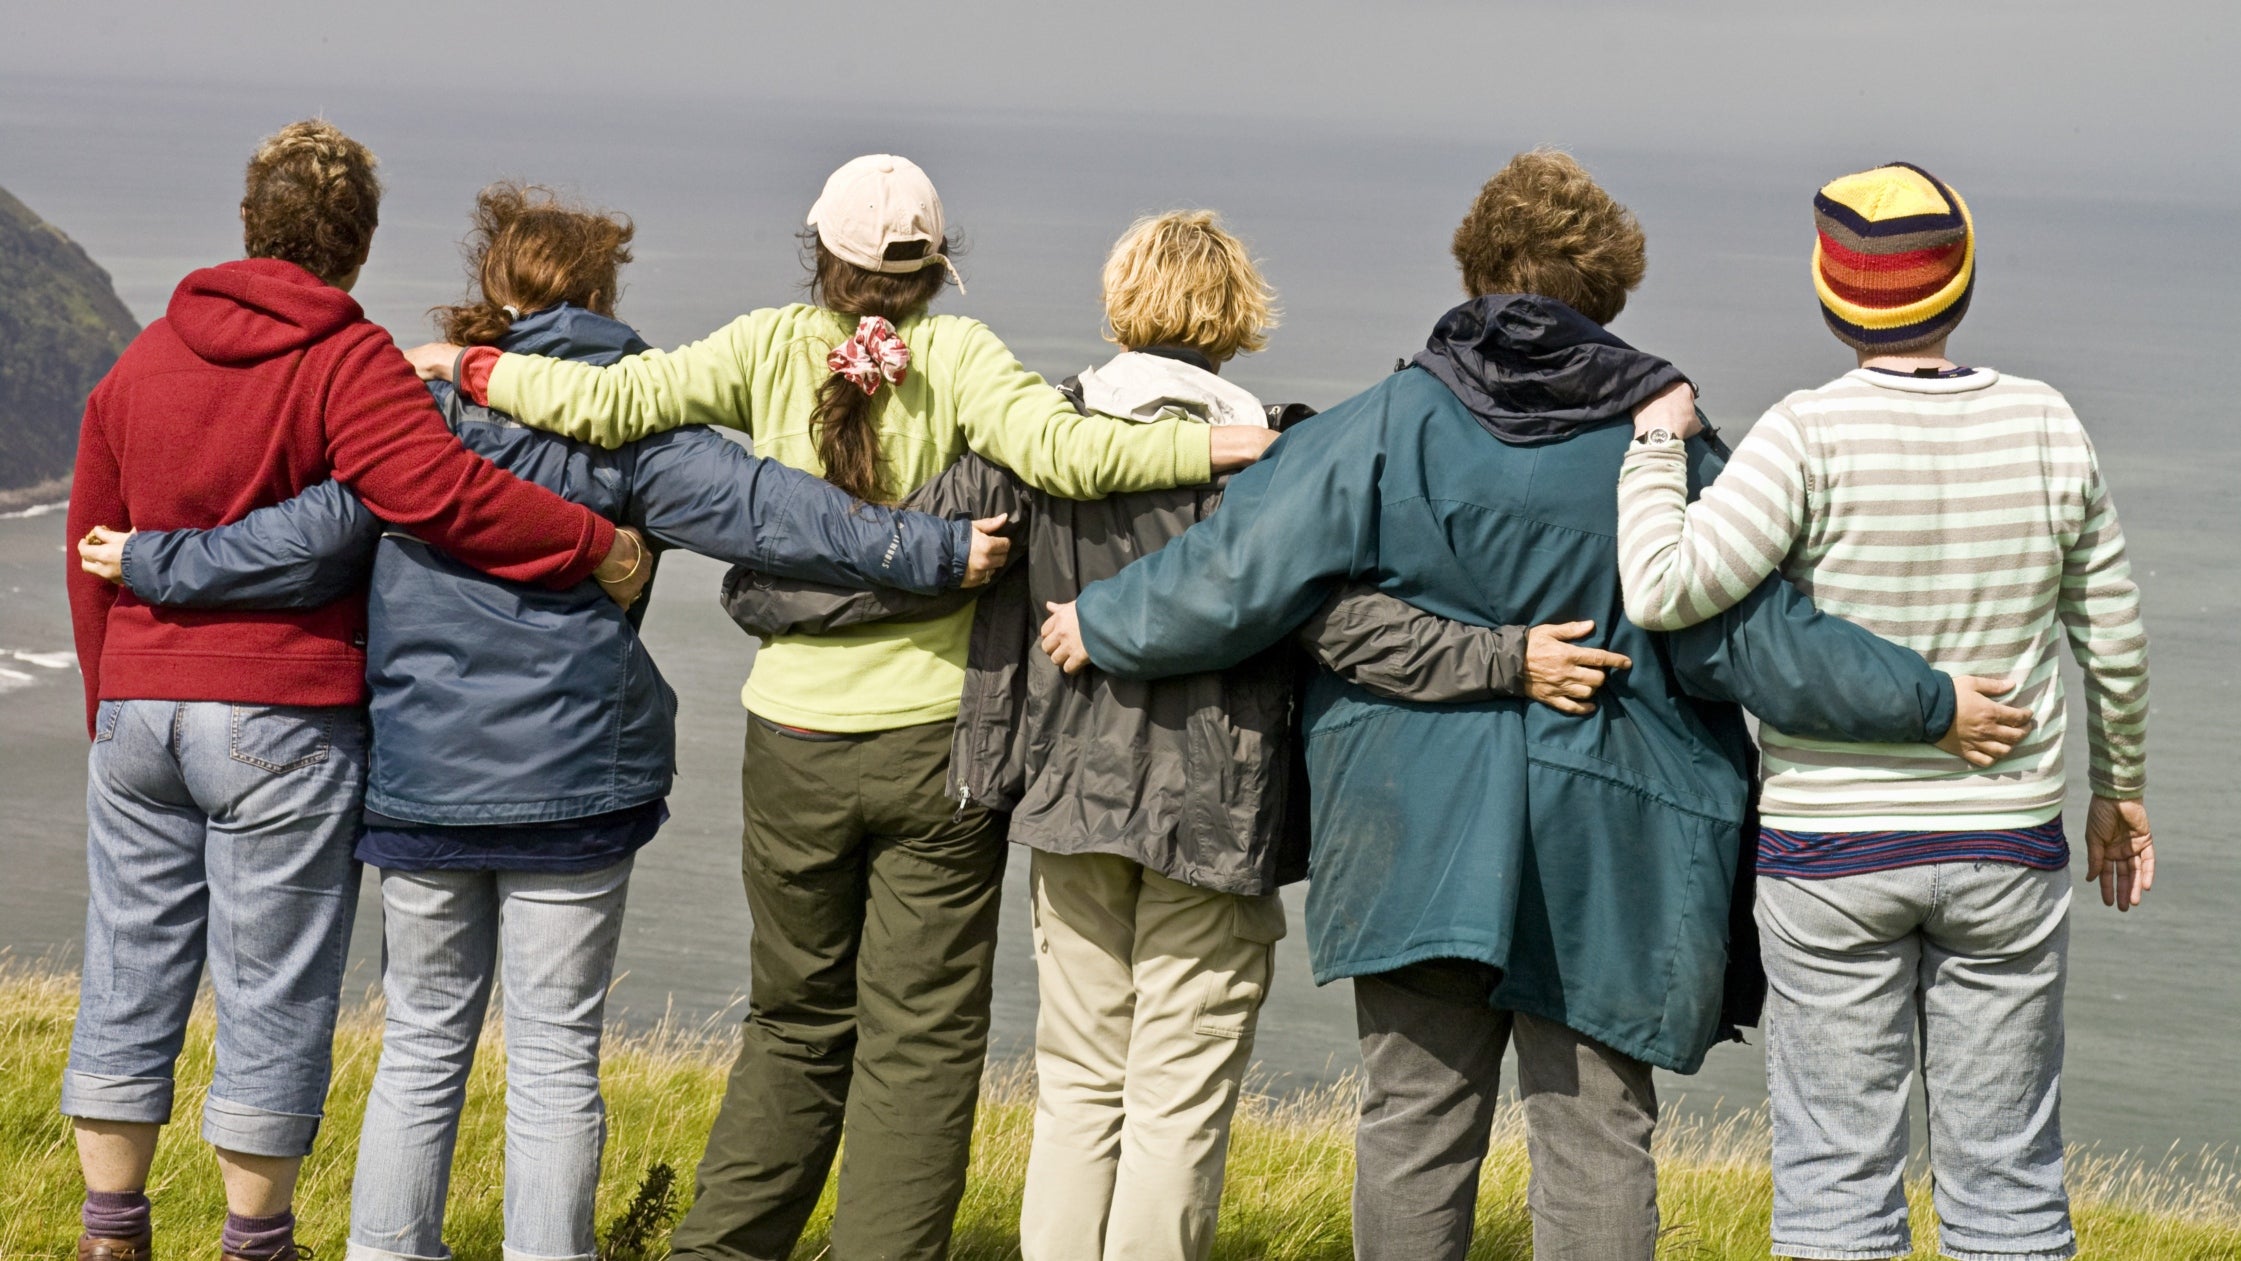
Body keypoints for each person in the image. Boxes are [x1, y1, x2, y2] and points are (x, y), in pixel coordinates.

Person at [1034, 150, 2028, 1261]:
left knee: (1411, 1123)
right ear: (1608, 289)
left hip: (1412, 831)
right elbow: (1751, 639)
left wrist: (1100, 622)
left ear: (1475, 273)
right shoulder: (1662, 438)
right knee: (1597, 1135)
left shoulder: (1386, 422)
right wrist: (1929, 701)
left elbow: (1235, 573)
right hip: (1615, 842)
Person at [79, 183, 1005, 1261]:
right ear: (602, 289)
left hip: (425, 774)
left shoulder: (407, 405)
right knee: (555, 1054)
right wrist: (931, 550)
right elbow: (772, 510)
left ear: (495, 288)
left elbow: (308, 533)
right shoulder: (636, 420)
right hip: (576, 778)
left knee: (421, 1041)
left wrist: (156, 560)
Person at [404, 157, 1278, 1261]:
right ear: (937, 262)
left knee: (794, 1021)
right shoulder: (960, 354)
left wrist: (474, 368)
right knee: (920, 1042)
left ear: (820, 253)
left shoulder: (768, 342)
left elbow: (609, 401)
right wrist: (1220, 441)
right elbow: (1069, 454)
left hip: (792, 742)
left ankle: (720, 1248)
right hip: (935, 750)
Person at [717, 209, 1631, 1261]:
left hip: (1067, 805)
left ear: (1120, 303)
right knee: (1176, 1101)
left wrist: (767, 594)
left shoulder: (1039, 433)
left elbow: (908, 553)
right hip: (1216, 815)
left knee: (1075, 1086)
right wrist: (1503, 658)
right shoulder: (1281, 452)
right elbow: (1344, 630)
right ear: (1240, 314)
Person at [59, 123, 650, 1261]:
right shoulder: (349, 359)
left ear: (248, 222)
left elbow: (93, 531)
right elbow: (447, 495)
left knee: (126, 967)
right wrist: (595, 542)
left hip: (136, 707)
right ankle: (253, 1240)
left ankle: (110, 1233)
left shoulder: (143, 360)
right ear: (360, 244)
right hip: (279, 715)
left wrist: (111, 703)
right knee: (270, 986)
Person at [1614, 161, 2152, 1261]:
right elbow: (2114, 633)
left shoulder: (1804, 433)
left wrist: (1657, 447)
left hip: (1831, 853)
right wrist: (2121, 790)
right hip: (2008, 842)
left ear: (1829, 291)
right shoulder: (2047, 423)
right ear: (1960, 285)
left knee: (1835, 1186)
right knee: (2008, 1179)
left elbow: (1664, 589)